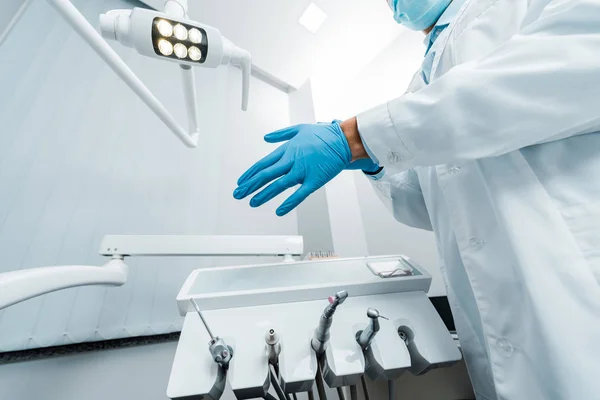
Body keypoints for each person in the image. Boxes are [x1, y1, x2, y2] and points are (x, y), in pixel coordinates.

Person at [233, 0, 600, 398]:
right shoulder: (421, 81)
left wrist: (357, 138)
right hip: (496, 327)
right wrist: (374, 164)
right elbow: (430, 206)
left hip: (572, 282)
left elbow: (547, 78)